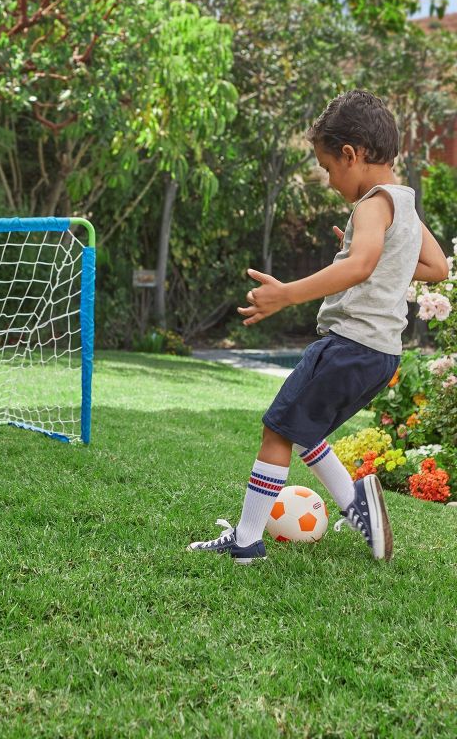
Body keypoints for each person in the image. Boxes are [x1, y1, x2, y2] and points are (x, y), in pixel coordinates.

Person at [187, 90, 450, 564]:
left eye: (328, 168)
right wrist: (374, 250)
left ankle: (246, 541)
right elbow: (436, 267)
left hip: (349, 345)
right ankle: (359, 508)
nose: (329, 180)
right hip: (381, 355)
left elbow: (361, 265)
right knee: (306, 432)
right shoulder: (404, 204)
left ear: (351, 154)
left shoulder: (372, 204)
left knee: (276, 431)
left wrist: (287, 293)